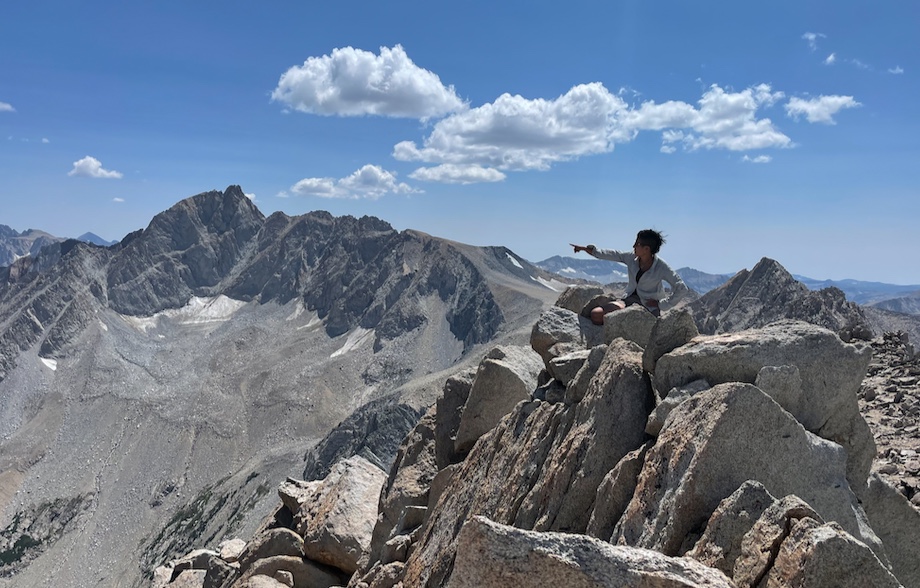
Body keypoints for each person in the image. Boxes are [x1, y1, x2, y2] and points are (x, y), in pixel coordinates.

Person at [571, 229, 688, 325]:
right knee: (596, 314)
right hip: (628, 301)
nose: (633, 246)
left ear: (646, 249)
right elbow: (613, 254)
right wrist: (587, 250)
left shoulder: (661, 267)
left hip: (648, 308)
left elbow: (681, 288)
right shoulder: (631, 258)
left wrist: (663, 304)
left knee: (625, 321)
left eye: (637, 244)